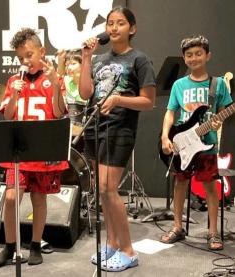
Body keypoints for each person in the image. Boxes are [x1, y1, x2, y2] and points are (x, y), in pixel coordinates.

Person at [79, 6, 156, 272]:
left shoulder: (139, 60)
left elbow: (148, 101)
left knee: (109, 189)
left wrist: (119, 99)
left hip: (120, 129)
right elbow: (84, 91)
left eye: (120, 23)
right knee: (102, 191)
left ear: (131, 28)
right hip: (95, 128)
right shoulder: (99, 60)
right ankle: (111, 243)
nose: (113, 28)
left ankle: (128, 250)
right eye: (110, 23)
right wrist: (87, 58)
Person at [0, 28, 68, 268]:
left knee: (39, 199)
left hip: (43, 151)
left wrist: (56, 84)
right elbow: (9, 116)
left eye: (29, 54)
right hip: (19, 151)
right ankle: (10, 246)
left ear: (42, 52)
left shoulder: (53, 79)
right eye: (21, 57)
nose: (25, 61)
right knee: (12, 197)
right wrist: (14, 96)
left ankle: (35, 244)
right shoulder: (14, 80)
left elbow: (57, 113)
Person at [159, 35, 232, 250]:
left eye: (198, 53)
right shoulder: (178, 85)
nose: (194, 58)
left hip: (207, 144)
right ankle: (177, 227)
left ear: (207, 55)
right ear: (184, 58)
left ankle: (213, 232)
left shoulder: (217, 85)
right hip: (182, 144)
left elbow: (223, 110)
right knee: (180, 184)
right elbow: (170, 113)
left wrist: (218, 121)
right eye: (189, 55)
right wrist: (165, 136)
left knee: (210, 188)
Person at [57, 50, 88, 136]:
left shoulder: (90, 84)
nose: (69, 67)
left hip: (87, 131)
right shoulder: (66, 81)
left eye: (73, 64)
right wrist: (60, 60)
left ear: (84, 64)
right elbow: (60, 74)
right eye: (66, 65)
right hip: (70, 132)